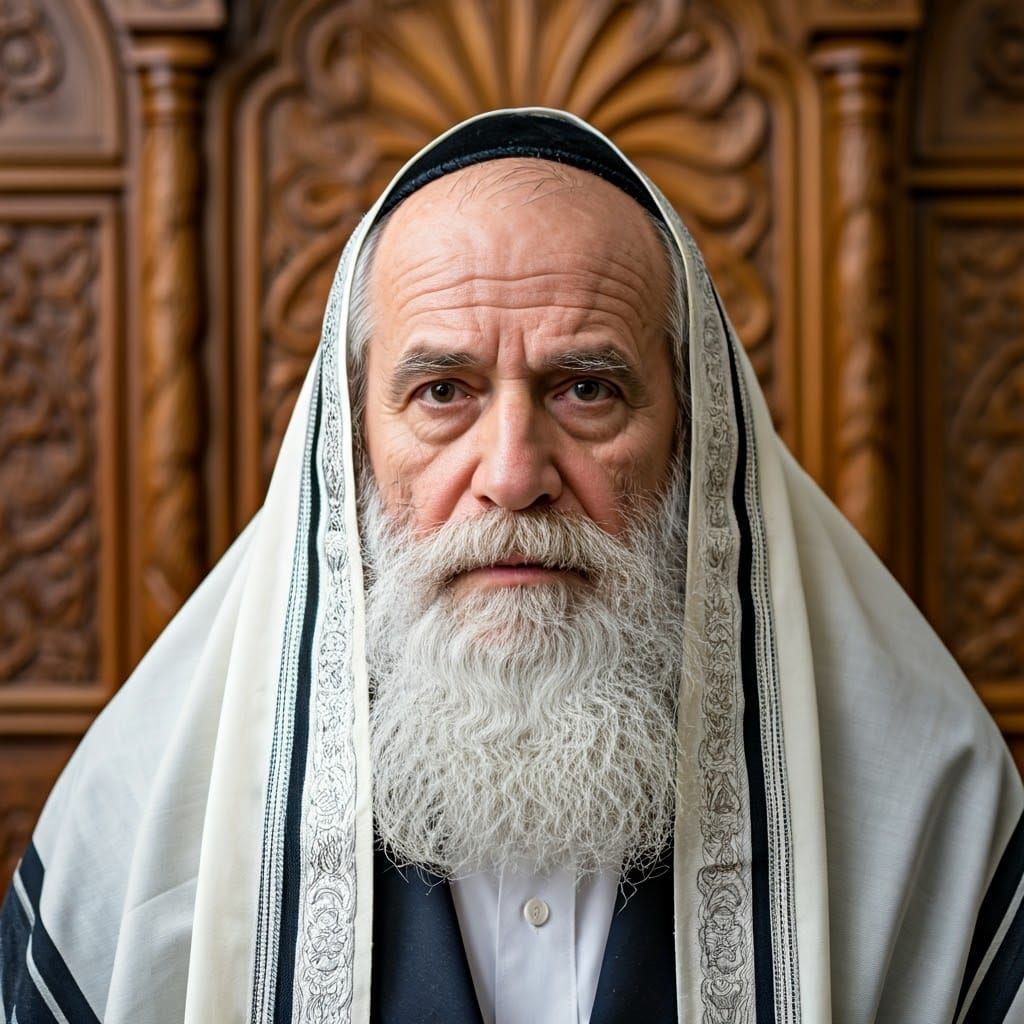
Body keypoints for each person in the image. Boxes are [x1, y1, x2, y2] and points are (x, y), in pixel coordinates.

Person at [1, 108, 1022, 1024]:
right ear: (353, 445)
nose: (512, 473)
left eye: (585, 387)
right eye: (443, 390)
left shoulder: (925, 799)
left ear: (696, 436)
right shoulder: (140, 821)